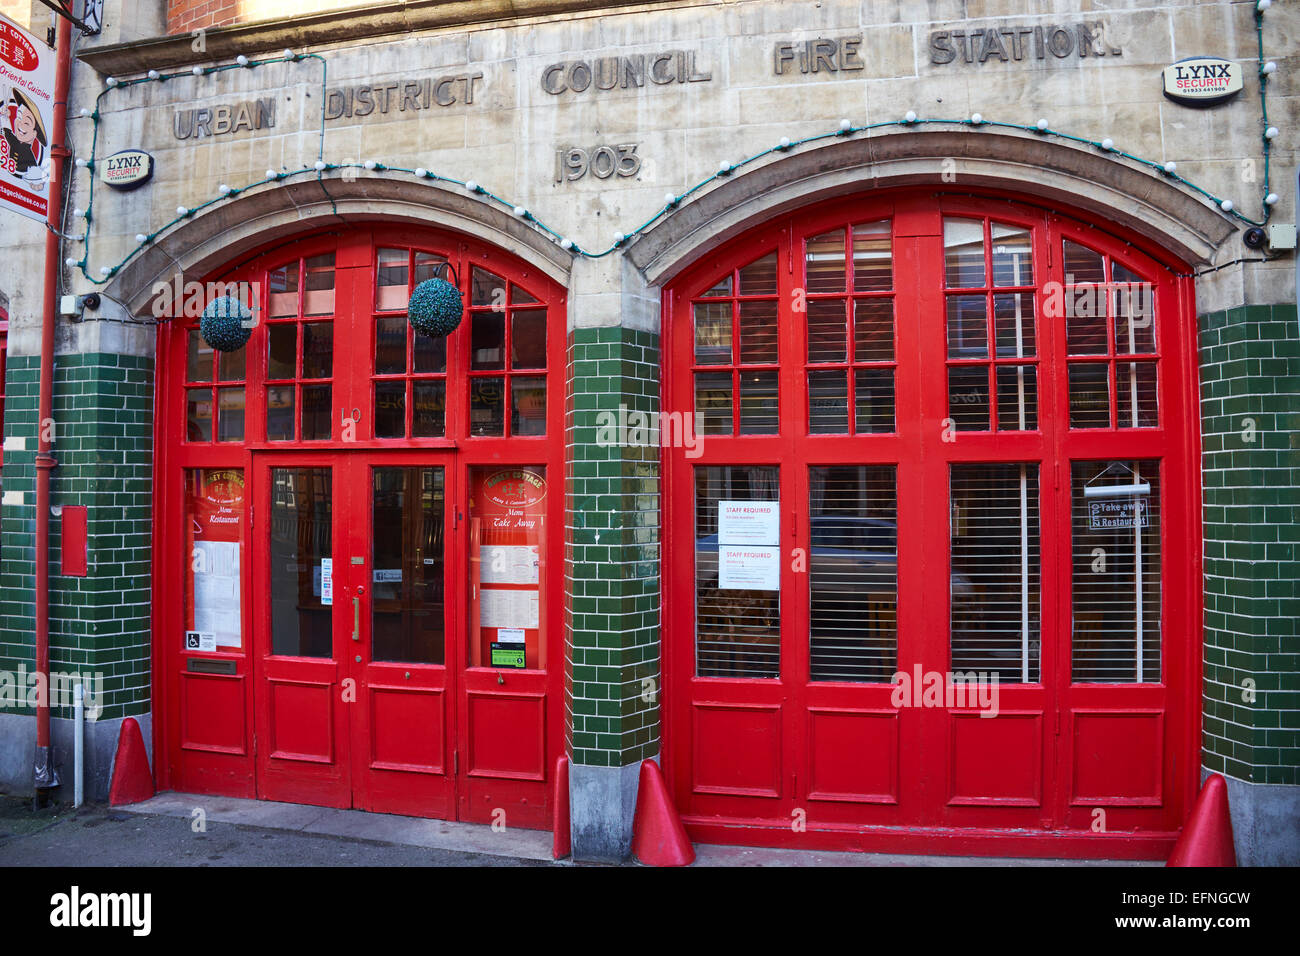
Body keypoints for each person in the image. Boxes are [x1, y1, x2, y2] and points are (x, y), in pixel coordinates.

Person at [2, 87, 46, 175]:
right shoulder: (15, 142)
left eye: (27, 123)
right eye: (18, 117)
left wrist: (37, 183)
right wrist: (5, 116)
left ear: (34, 134)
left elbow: (35, 175)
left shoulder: (30, 157)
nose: (21, 124)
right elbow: (7, 132)